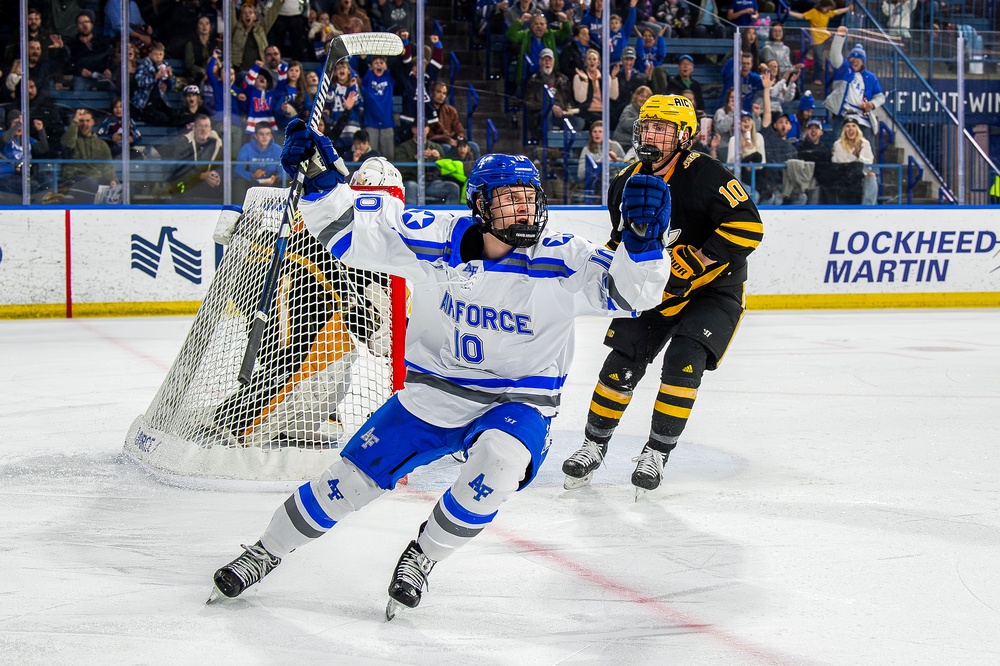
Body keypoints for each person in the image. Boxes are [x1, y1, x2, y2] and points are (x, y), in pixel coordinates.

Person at [210, 124, 671, 618]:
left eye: (529, 198)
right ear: (479, 206)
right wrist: (321, 184)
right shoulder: (434, 239)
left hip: (520, 401)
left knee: (500, 461)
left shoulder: (564, 257)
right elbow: (354, 235)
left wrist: (644, 245)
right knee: (346, 483)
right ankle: (265, 551)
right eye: (509, 199)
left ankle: (422, 558)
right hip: (433, 392)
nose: (524, 209)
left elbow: (630, 295)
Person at [561, 94, 763, 498]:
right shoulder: (625, 183)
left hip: (713, 290)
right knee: (621, 362)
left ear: (685, 136)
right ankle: (594, 445)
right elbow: (619, 242)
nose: (651, 135)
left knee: (683, 364)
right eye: (647, 126)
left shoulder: (707, 174)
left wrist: (699, 258)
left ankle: (656, 452)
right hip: (656, 291)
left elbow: (749, 228)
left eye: (662, 128)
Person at [824, 26, 885, 149]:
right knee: (838, 148)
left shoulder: (870, 77)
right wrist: (839, 37)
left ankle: (869, 168)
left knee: (868, 148)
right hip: (843, 116)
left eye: (858, 59)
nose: (855, 61)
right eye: (852, 58)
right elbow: (835, 56)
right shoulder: (843, 69)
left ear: (863, 61)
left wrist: (872, 104)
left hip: (863, 118)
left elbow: (880, 96)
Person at [787, 0, 854, 85]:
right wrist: (790, 13)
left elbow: (837, 11)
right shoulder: (813, 12)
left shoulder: (827, 13)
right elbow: (801, 16)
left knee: (838, 44)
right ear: (822, 6)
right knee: (819, 61)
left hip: (826, 37)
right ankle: (817, 78)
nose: (827, 10)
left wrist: (848, 8)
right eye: (827, 8)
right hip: (817, 40)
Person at [60, 108, 118, 201]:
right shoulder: (71, 140)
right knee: (90, 183)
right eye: (81, 121)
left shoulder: (101, 144)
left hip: (95, 179)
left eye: (87, 121)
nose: (84, 124)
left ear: (93, 122)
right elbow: (67, 144)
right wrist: (75, 121)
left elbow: (107, 166)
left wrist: (113, 180)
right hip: (74, 179)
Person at [163, 114, 223, 202]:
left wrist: (217, 175)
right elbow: (180, 169)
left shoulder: (217, 144)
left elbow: (223, 165)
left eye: (206, 126)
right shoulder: (183, 143)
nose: (203, 130)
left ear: (210, 129)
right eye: (200, 126)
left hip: (211, 188)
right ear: (194, 128)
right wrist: (200, 176)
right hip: (189, 188)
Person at [396, 123, 461, 204]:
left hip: (432, 183)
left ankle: (450, 215)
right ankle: (411, 215)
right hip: (412, 180)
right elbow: (400, 169)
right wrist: (415, 158)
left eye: (423, 127)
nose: (420, 130)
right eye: (417, 127)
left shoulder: (436, 147)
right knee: (410, 186)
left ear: (428, 129)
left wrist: (439, 158)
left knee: (453, 188)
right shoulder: (403, 147)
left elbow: (445, 170)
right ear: (413, 129)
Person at [506, 12, 574, 89]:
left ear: (546, 26)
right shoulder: (525, 35)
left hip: (549, 75)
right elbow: (511, 35)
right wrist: (520, 21)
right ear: (531, 26)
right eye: (536, 24)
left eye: (542, 24)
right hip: (529, 76)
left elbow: (567, 32)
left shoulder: (550, 34)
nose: (539, 26)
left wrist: (565, 21)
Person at [831, 115, 877, 205]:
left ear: (857, 129)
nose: (851, 128)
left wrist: (858, 156)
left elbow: (869, 163)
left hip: (860, 175)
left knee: (871, 176)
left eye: (853, 126)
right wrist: (854, 155)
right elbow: (839, 163)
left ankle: (867, 207)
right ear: (844, 129)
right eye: (848, 126)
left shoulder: (865, 143)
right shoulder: (838, 144)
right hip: (844, 177)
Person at [235, 123, 282, 197]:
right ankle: (239, 206)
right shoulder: (246, 148)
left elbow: (284, 171)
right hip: (251, 184)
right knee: (239, 182)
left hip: (272, 184)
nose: (264, 137)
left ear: (271, 136)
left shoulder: (278, 149)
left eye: (267, 134)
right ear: (255, 136)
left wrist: (276, 177)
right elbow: (238, 169)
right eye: (261, 134)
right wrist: (252, 175)